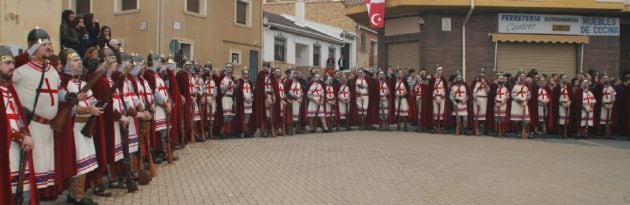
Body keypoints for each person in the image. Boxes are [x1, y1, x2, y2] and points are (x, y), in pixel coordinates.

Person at [13, 27, 59, 190]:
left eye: (49, 44)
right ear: (33, 48)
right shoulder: (20, 71)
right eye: (43, 44)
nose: (48, 47)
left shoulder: (52, 70)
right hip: (32, 126)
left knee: (44, 170)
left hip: (48, 128)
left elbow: (58, 92)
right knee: (29, 173)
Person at [57, 48, 102, 205]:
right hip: (74, 127)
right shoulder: (64, 83)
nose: (79, 63)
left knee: (85, 162)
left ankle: (76, 194)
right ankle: (77, 196)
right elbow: (70, 107)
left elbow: (92, 99)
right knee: (79, 162)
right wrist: (90, 109)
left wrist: (98, 104)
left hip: (85, 128)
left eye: (79, 60)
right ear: (67, 64)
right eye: (75, 60)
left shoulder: (83, 83)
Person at [0, 45, 38, 205]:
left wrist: (24, 134)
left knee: (22, 193)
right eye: (7, 63)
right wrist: (20, 137)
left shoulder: (10, 89)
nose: (12, 67)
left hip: (17, 150)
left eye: (12, 63)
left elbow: (20, 118)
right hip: (6, 150)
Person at [143, 53, 172, 163]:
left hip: (164, 106)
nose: (160, 64)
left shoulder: (157, 74)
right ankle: (158, 152)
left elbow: (164, 89)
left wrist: (168, 101)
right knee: (158, 131)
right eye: (159, 61)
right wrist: (164, 104)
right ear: (154, 61)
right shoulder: (149, 74)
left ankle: (165, 152)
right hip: (158, 107)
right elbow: (155, 93)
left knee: (165, 130)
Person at [510, 71, 531, 139]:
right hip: (517, 104)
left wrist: (526, 100)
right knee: (516, 120)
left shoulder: (526, 86)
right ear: (519, 77)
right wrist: (519, 101)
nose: (523, 77)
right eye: (522, 76)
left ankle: (525, 132)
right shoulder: (515, 86)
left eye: (524, 76)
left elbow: (529, 94)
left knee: (526, 120)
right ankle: (518, 132)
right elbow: (512, 95)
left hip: (524, 104)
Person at [430, 66, 448, 134]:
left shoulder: (444, 80)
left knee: (441, 112)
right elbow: (431, 89)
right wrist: (434, 97)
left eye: (441, 71)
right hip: (434, 98)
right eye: (439, 71)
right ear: (436, 71)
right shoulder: (432, 80)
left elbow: (445, 89)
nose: (440, 72)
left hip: (442, 98)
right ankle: (434, 127)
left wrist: (442, 97)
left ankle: (441, 127)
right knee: (435, 112)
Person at [450, 71, 469, 136]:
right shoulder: (453, 87)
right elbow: (451, 96)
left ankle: (465, 129)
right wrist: (454, 102)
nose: (459, 80)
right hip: (456, 104)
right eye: (458, 78)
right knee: (457, 118)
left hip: (463, 104)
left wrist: (465, 100)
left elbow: (467, 95)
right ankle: (458, 129)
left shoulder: (464, 86)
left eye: (460, 78)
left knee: (465, 117)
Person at [471, 68, 489, 136]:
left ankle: (482, 128)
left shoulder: (486, 83)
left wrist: (485, 84)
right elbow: (474, 92)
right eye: (481, 76)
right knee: (477, 115)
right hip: (477, 99)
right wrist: (476, 100)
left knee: (483, 115)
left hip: (484, 100)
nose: (482, 78)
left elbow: (488, 92)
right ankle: (476, 128)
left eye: (483, 76)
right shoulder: (476, 83)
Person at [599, 73, 616, 139]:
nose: (607, 80)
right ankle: (602, 132)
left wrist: (612, 104)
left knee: (608, 120)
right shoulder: (601, 88)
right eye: (605, 79)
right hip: (603, 105)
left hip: (610, 105)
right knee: (602, 118)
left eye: (607, 79)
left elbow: (613, 96)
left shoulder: (611, 88)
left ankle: (608, 133)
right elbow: (600, 97)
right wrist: (604, 104)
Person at [237, 69, 253, 137]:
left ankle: (246, 132)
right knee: (242, 118)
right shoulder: (240, 82)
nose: (246, 75)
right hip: (243, 102)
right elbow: (240, 92)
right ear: (242, 75)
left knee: (247, 118)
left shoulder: (249, 82)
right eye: (244, 74)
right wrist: (245, 99)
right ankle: (242, 132)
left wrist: (251, 99)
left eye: (247, 74)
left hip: (249, 102)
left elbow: (252, 92)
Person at [494, 73, 509, 137]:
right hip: (496, 104)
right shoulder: (495, 87)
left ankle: (503, 132)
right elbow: (492, 96)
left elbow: (507, 96)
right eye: (500, 79)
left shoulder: (505, 88)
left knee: (503, 119)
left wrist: (502, 102)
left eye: (502, 79)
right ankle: (497, 131)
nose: (501, 80)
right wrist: (496, 103)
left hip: (503, 104)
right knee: (496, 119)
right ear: (497, 79)